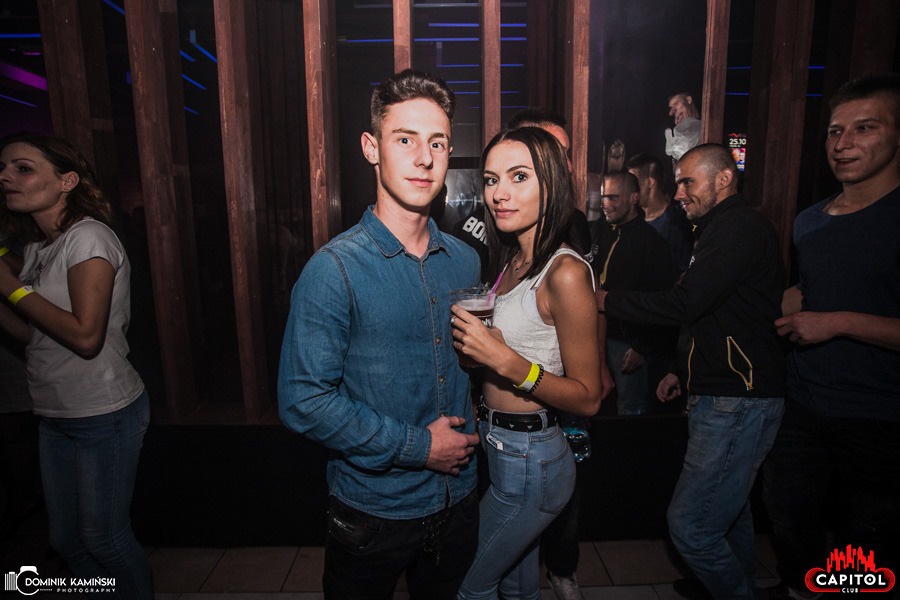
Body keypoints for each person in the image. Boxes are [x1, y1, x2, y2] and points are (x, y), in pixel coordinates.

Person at [278, 69, 481, 600]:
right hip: (375, 512)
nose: (424, 158)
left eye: (437, 142)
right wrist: (420, 446)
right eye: (405, 140)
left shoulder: (465, 261)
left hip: (458, 498)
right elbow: (302, 400)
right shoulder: (334, 270)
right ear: (371, 148)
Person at [597, 143, 785, 600]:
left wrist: (606, 300)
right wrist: (682, 369)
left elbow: (685, 303)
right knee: (730, 513)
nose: (678, 192)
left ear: (724, 179)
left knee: (691, 527)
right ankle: (730, 585)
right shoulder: (717, 229)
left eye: (687, 182)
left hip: (738, 397)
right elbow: (714, 316)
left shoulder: (738, 228)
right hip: (725, 391)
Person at [761, 72, 900, 600]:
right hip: (805, 402)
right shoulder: (810, 221)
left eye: (865, 127)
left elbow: (832, 312)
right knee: (788, 515)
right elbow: (812, 292)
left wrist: (837, 322)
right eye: (835, 131)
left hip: (880, 415)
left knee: (867, 541)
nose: (843, 144)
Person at [452, 126, 602, 600]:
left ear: (552, 183)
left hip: (533, 458)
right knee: (517, 589)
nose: (500, 193)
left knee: (469, 586)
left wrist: (508, 362)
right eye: (491, 180)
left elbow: (589, 398)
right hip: (501, 446)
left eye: (519, 177)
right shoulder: (513, 261)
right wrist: (479, 357)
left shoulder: (566, 271)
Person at [0, 134, 152, 598]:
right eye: (3, 168)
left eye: (23, 168)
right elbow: (37, 337)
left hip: (102, 413)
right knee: (66, 540)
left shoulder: (88, 237)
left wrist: (11, 288)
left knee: (104, 538)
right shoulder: (42, 247)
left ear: (67, 181)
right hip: (55, 413)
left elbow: (86, 337)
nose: (6, 177)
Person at [591, 171, 679, 415]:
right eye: (603, 197)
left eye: (613, 197)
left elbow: (661, 302)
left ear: (633, 198)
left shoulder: (652, 243)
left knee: (631, 407)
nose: (606, 204)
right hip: (595, 333)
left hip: (627, 341)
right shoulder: (598, 230)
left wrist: (642, 347)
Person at [626, 153, 693, 273]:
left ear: (649, 182)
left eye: (633, 183)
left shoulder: (676, 226)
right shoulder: (630, 220)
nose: (628, 189)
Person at [665, 93, 701, 162]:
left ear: (688, 100)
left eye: (675, 103)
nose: (671, 112)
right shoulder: (678, 129)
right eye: (671, 107)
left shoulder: (701, 125)